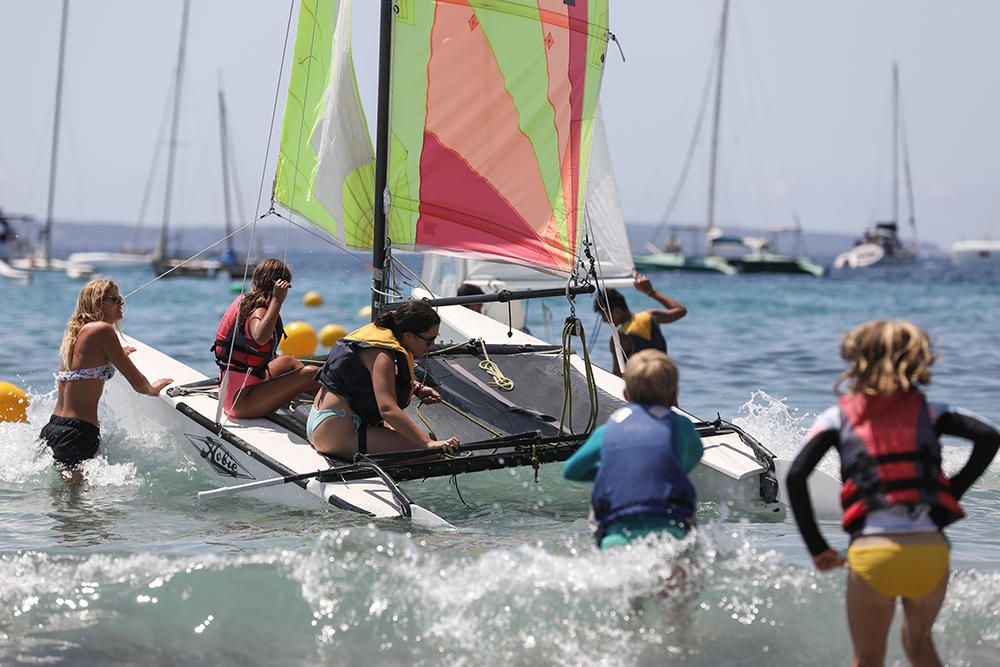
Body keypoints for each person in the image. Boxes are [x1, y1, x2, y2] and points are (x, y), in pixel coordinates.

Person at [786, 320, 999, 667]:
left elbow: (796, 476)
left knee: (868, 658)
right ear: (917, 360)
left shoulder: (836, 417)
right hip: (929, 551)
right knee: (919, 645)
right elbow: (990, 438)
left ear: (856, 359)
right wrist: (950, 493)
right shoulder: (933, 411)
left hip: (875, 554)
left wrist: (817, 548)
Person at [563, 349, 703, 548]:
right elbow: (696, 455)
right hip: (672, 530)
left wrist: (616, 471)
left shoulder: (607, 430)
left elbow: (571, 471)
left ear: (626, 395)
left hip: (617, 536)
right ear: (674, 397)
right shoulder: (681, 425)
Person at [40, 279, 173, 467]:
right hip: (78, 433)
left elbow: (85, 368)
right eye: (115, 299)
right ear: (98, 304)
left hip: (53, 427)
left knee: (62, 495)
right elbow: (138, 384)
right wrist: (152, 389)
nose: (122, 302)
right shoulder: (102, 329)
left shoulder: (76, 333)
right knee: (75, 496)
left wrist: (114, 356)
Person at [308, 300, 459, 459]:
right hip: (335, 434)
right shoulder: (382, 355)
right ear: (409, 335)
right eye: (429, 340)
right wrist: (428, 443)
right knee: (432, 453)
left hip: (326, 422)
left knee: (417, 440)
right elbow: (387, 410)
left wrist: (416, 388)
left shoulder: (379, 339)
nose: (433, 346)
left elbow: (370, 381)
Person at [212, 258, 319, 419]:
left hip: (234, 391)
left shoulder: (246, 301)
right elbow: (260, 337)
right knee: (311, 373)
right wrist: (277, 300)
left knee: (287, 362)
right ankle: (331, 413)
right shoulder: (259, 311)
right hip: (241, 402)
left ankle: (316, 398)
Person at [593, 271, 687, 376]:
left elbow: (617, 375)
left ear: (616, 311)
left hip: (640, 389)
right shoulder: (649, 317)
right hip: (664, 382)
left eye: (604, 315)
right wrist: (651, 292)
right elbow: (680, 310)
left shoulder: (619, 338)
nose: (604, 321)